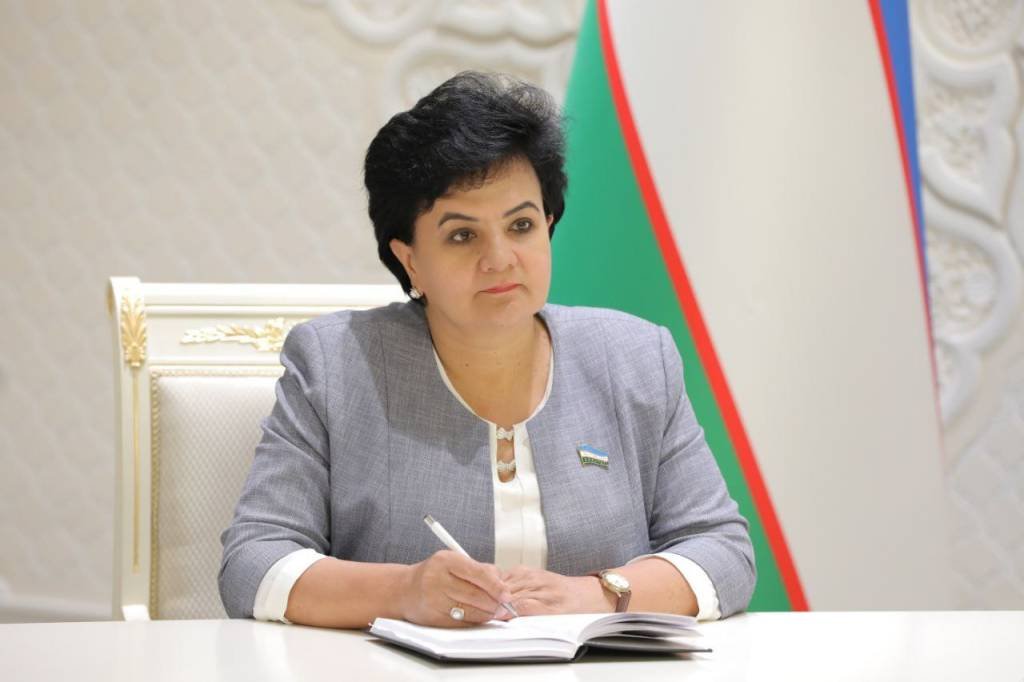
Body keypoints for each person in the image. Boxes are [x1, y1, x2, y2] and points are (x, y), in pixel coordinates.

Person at [219, 71, 755, 629]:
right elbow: (252, 563)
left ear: (548, 225)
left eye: (521, 225)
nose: (500, 258)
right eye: (462, 235)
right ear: (410, 260)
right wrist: (402, 592)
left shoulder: (636, 359)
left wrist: (596, 595)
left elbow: (722, 550)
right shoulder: (336, 366)